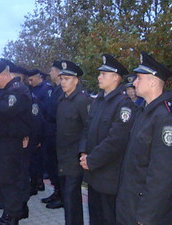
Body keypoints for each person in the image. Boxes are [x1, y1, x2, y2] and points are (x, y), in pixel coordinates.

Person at [116, 52, 172, 225]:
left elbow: (163, 175)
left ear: (153, 81)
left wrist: (146, 216)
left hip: (149, 213)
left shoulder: (168, 119)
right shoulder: (145, 111)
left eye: (139, 78)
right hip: (132, 205)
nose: (134, 82)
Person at [78, 54, 135, 225]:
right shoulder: (99, 100)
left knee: (109, 218)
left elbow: (116, 140)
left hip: (110, 175)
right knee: (95, 217)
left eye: (103, 74)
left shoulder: (124, 104)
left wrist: (91, 160)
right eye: (99, 73)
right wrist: (83, 152)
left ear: (115, 77)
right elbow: (87, 129)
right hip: (94, 172)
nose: (99, 77)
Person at [0, 60, 33, 225]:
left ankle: (11, 217)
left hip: (10, 143)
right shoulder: (7, 90)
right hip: (3, 143)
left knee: (10, 180)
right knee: (6, 179)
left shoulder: (17, 91)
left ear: (5, 74)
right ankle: (14, 211)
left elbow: (2, 110)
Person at [56, 60, 92, 225]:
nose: (63, 82)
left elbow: (88, 129)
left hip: (74, 158)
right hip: (62, 157)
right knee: (67, 198)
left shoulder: (82, 100)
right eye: (62, 79)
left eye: (67, 79)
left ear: (76, 80)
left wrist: (83, 152)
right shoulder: (62, 100)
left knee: (71, 198)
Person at [27, 69, 53, 195]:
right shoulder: (32, 88)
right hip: (34, 127)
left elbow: (46, 110)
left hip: (42, 128)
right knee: (33, 158)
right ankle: (36, 182)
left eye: (32, 79)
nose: (30, 82)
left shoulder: (46, 89)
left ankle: (38, 182)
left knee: (39, 158)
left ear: (39, 77)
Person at [42, 61, 64, 209]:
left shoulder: (63, 90)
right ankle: (56, 191)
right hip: (49, 132)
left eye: (51, 70)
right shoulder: (55, 89)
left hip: (57, 132)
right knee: (51, 165)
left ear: (58, 72)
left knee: (57, 166)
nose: (50, 73)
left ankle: (62, 196)